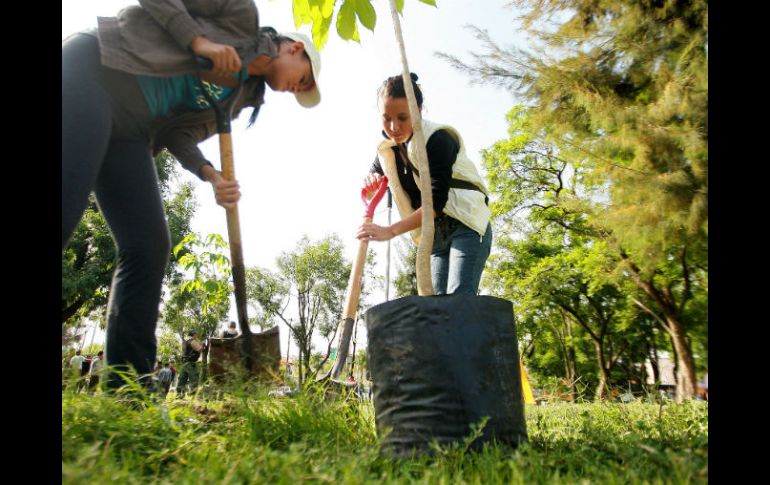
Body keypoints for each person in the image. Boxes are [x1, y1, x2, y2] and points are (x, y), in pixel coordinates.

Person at [62, 0, 322, 390]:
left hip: (131, 131)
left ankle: (130, 391)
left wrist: (212, 175)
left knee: (148, 245)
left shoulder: (238, 100)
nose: (294, 90)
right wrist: (199, 42)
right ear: (295, 49)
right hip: (97, 69)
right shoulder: (240, 16)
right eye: (303, 80)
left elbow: (176, 135)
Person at [357, 73, 492, 295]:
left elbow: (435, 204)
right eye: (386, 118)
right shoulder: (387, 151)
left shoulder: (437, 140)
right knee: (435, 309)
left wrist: (390, 231)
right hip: (434, 237)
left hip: (466, 223)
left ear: (419, 111)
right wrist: (370, 179)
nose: (394, 127)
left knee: (459, 301)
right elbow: (377, 173)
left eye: (403, 117)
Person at [176, 331, 203, 398]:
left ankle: (179, 394)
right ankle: (196, 395)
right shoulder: (192, 341)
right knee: (194, 378)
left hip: (184, 363)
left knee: (182, 379)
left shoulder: (185, 342)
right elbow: (199, 349)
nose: (197, 336)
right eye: (196, 334)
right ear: (194, 335)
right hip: (191, 364)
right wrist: (202, 344)